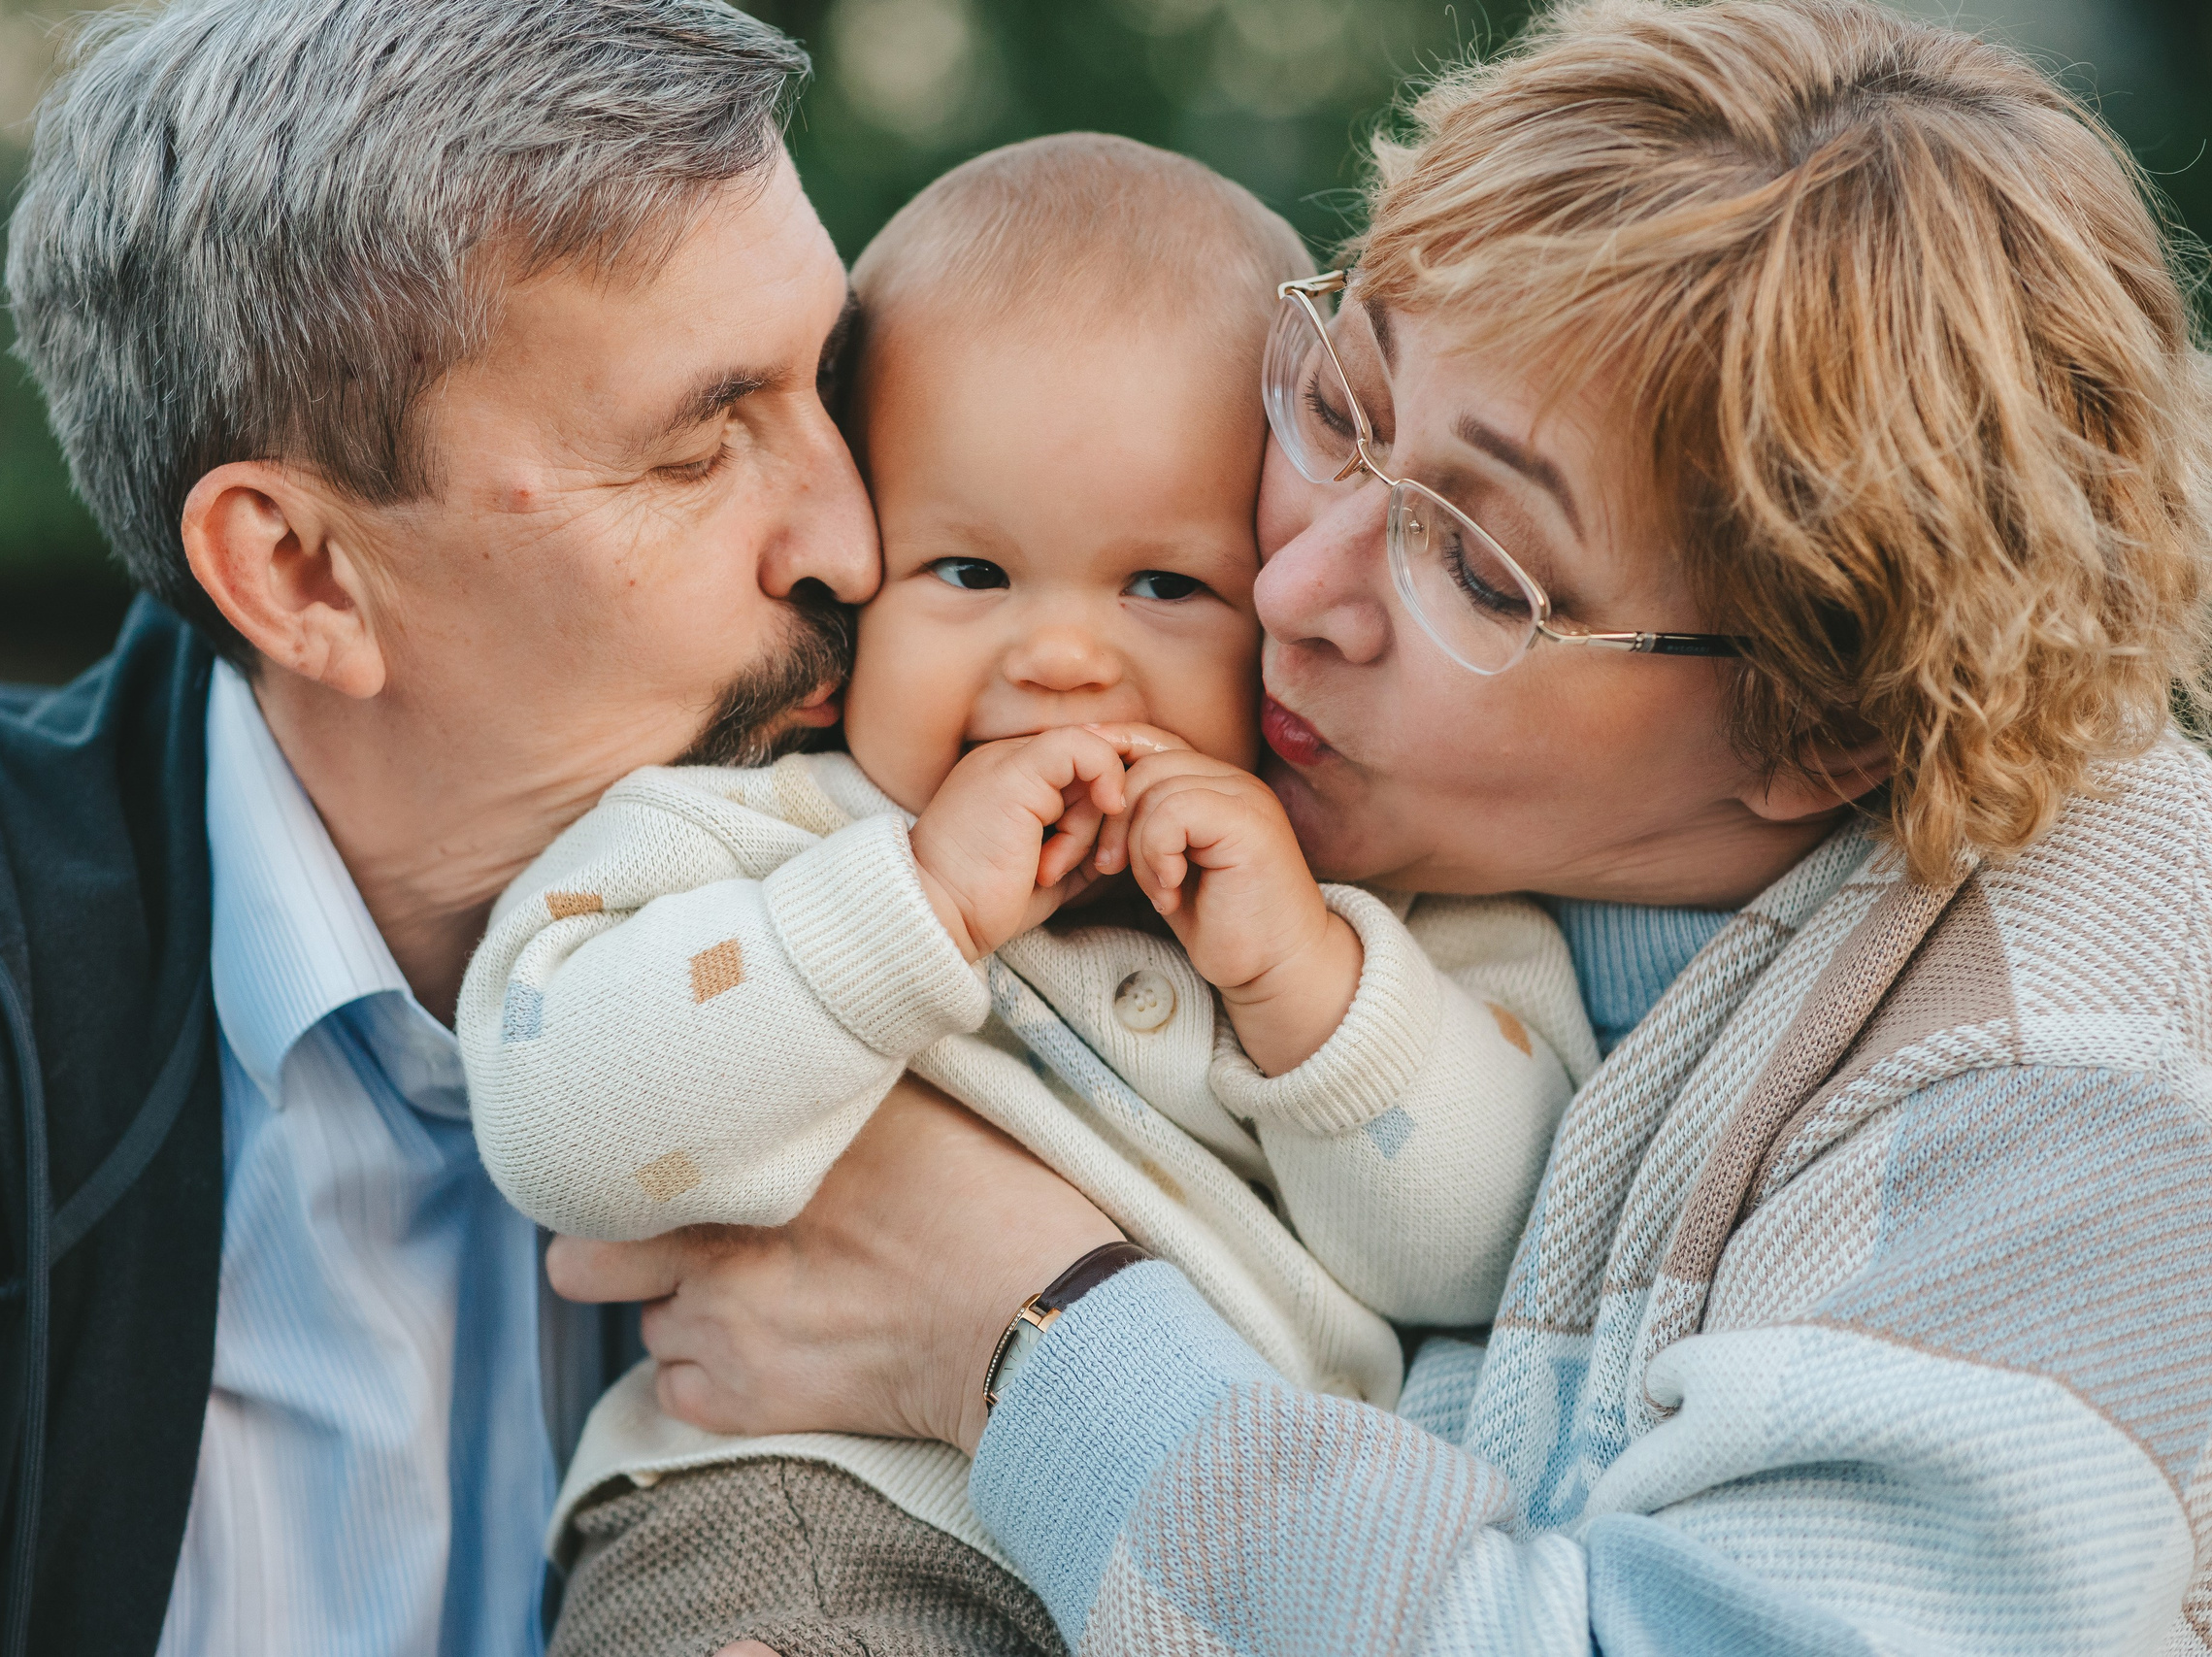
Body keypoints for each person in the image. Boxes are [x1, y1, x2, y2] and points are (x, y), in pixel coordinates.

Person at [545, 2, 2212, 1650]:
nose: (1290, 585)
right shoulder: (1429, 834)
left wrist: (1007, 1315)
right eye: (1343, 405)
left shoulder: (2054, 1097)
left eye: (1482, 569)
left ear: (1815, 728)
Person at [0, 2, 881, 1654]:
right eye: (702, 442)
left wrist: (1033, 1327)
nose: (854, 539)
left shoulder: (1007, 887)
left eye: (830, 378)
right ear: (299, 573)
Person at [456, 134, 1595, 1657]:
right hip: (823, 1523)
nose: (1061, 658)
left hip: (1230, 1575)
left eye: (1165, 588)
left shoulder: (1379, 898)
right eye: (969, 574)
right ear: (860, 566)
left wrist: (1308, 990)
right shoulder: (767, 835)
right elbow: (556, 1116)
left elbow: (1490, 1253)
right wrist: (897, 916)